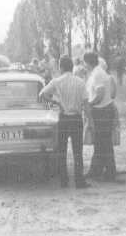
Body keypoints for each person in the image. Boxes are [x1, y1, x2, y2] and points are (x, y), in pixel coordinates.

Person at [39, 55, 91, 188]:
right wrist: (89, 121)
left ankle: (64, 180)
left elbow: (42, 94)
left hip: (63, 118)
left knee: (62, 150)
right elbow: (86, 103)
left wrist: (55, 102)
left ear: (61, 67)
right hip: (76, 118)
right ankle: (79, 181)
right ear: (72, 67)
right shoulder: (80, 82)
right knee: (77, 151)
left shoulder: (57, 81)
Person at [84, 51, 117, 181]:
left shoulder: (97, 74)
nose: (84, 65)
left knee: (103, 142)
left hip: (102, 111)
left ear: (88, 62)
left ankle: (107, 171)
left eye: (84, 63)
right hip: (103, 110)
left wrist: (89, 104)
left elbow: (100, 93)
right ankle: (100, 170)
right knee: (101, 143)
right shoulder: (97, 72)